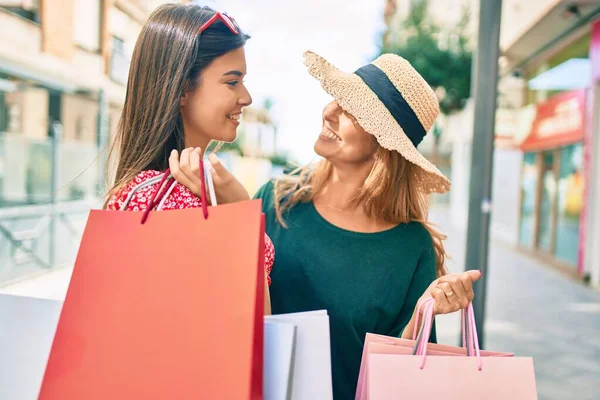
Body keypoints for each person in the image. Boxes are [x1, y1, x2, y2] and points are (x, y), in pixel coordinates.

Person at [251, 51, 483, 399]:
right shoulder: (275, 201)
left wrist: (425, 312)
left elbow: (404, 375)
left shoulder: (410, 246)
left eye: (352, 110)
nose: (330, 111)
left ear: (383, 145)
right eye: (337, 99)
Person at [103, 4, 273, 312]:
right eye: (232, 81)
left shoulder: (200, 190)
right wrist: (243, 217)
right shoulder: (150, 199)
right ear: (182, 90)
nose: (246, 97)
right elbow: (252, 324)